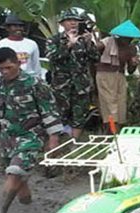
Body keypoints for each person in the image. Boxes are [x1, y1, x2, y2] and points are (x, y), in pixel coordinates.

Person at [0, 47, 62, 213]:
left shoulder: (35, 84)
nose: (5, 72)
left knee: (15, 172)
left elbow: (49, 111)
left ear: (18, 63)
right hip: (7, 139)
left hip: (30, 136)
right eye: (0, 69)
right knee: (20, 182)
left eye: (8, 68)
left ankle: (1, 212)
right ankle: (29, 207)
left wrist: (53, 139)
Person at [46, 9, 100, 139]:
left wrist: (88, 43)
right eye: (69, 20)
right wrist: (69, 45)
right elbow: (52, 57)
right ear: (62, 23)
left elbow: (95, 58)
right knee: (60, 114)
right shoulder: (54, 40)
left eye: (76, 20)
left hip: (81, 85)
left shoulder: (84, 39)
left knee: (79, 115)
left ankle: (73, 144)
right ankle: (57, 142)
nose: (73, 23)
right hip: (61, 85)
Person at [96, 20, 140, 134]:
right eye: (126, 37)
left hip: (120, 76)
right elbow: (93, 50)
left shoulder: (132, 49)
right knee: (110, 103)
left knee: (121, 104)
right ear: (120, 36)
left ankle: (115, 130)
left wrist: (134, 64)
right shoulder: (108, 42)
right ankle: (112, 132)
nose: (128, 40)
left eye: (131, 38)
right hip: (105, 74)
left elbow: (130, 71)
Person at [0, 14, 41, 82]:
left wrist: (38, 81)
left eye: (21, 26)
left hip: (28, 83)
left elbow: (36, 67)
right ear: (7, 28)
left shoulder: (32, 44)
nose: (18, 28)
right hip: (7, 82)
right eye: (15, 26)